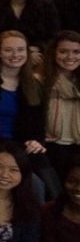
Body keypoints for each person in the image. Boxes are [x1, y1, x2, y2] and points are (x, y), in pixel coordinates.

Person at [0, 31, 57, 199]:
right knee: (35, 186)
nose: (15, 55)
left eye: (21, 50)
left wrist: (37, 142)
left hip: (21, 143)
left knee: (47, 176)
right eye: (9, 50)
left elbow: (39, 123)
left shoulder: (34, 84)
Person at [43, 31, 80, 177]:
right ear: (54, 53)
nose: (70, 57)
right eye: (63, 51)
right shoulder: (41, 79)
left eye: (76, 52)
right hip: (50, 145)